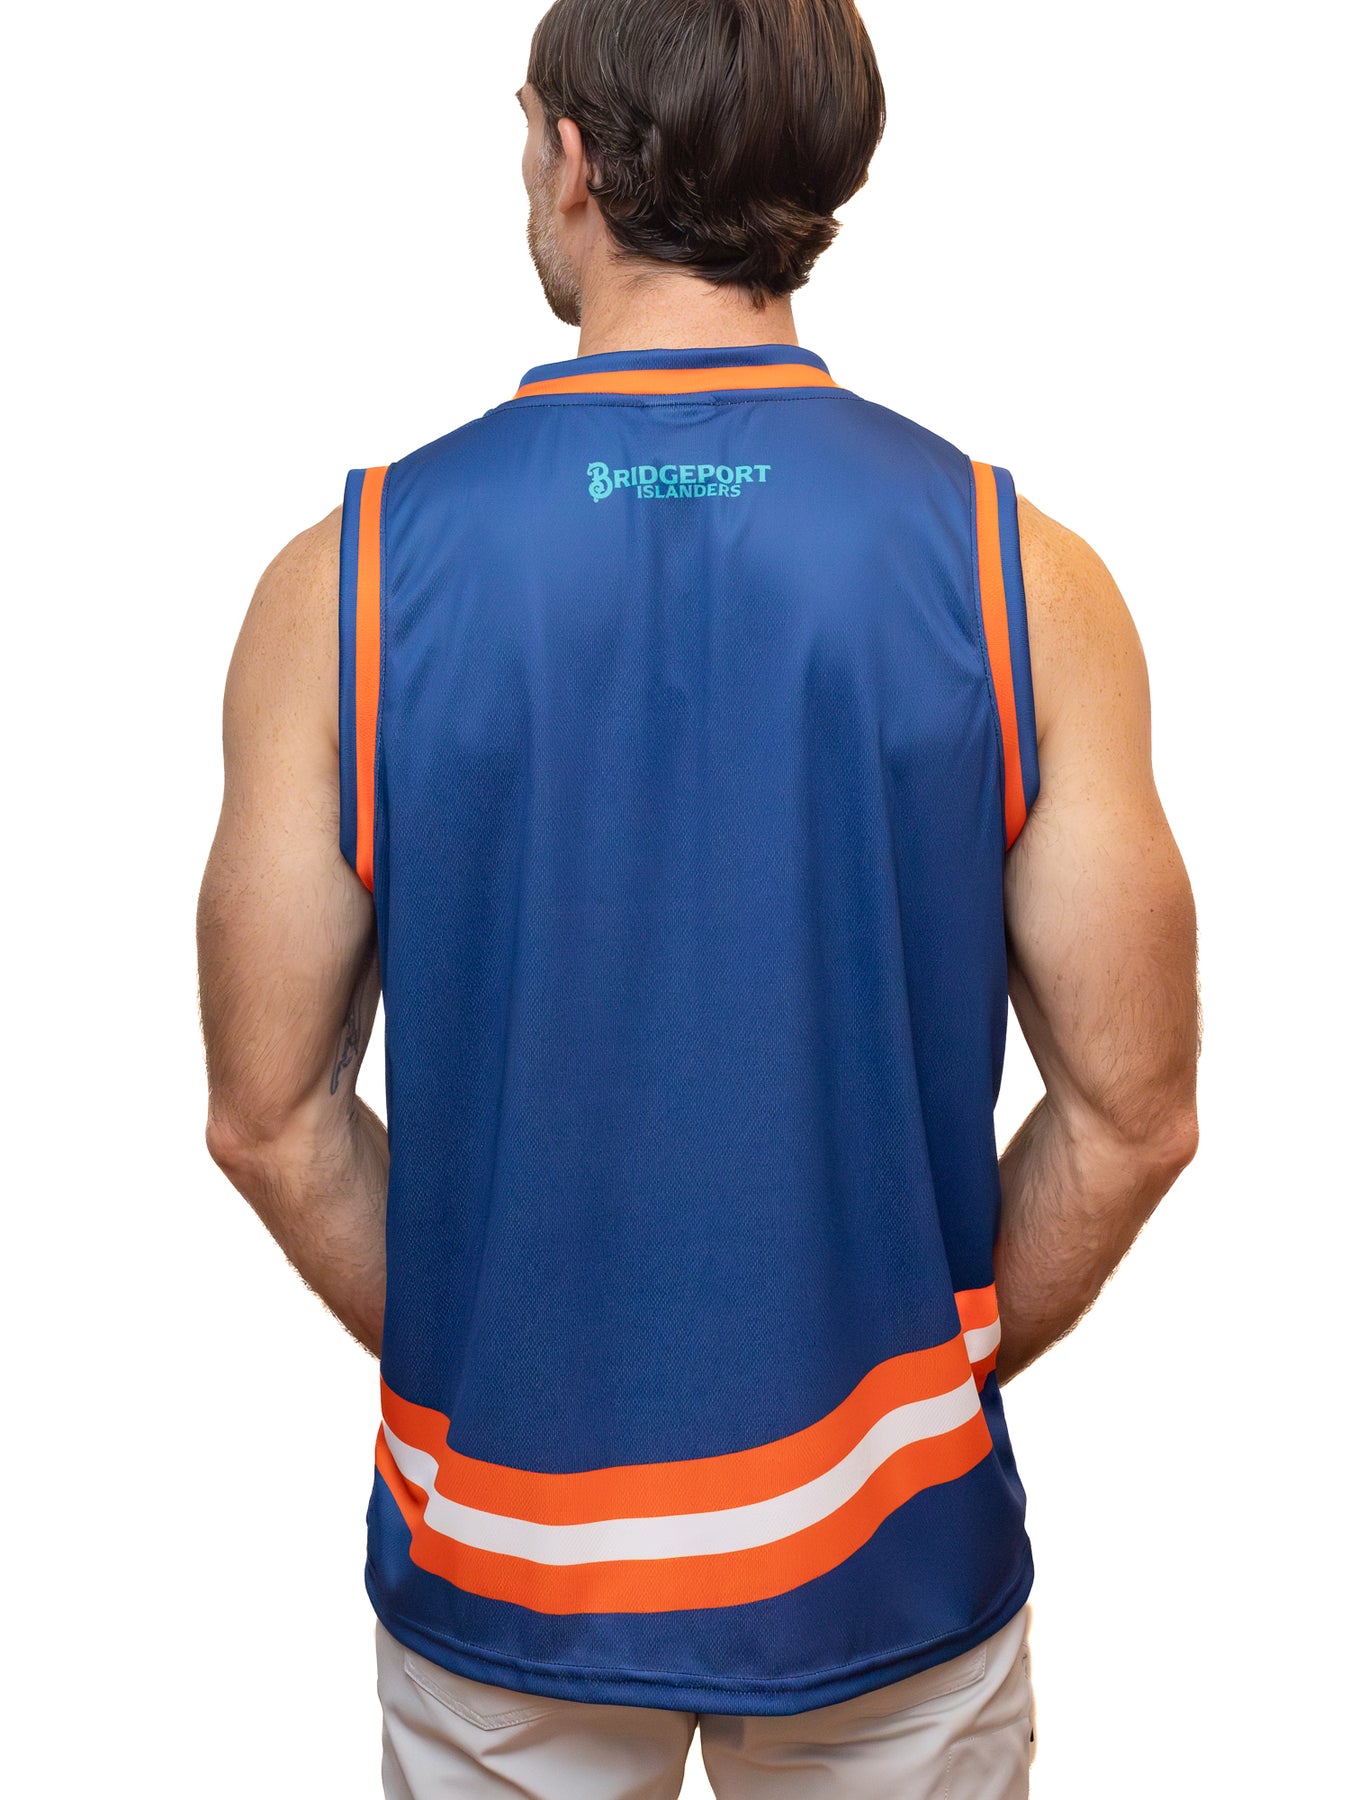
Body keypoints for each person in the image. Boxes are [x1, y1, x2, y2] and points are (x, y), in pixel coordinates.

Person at [196, 2, 1201, 1793]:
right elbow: (1133, 1115)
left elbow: (269, 1117)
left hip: (502, 1566)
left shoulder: (337, 588)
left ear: (571, 158)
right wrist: (914, 1374)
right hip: (889, 1555)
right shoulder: (1024, 581)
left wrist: (504, 1376)